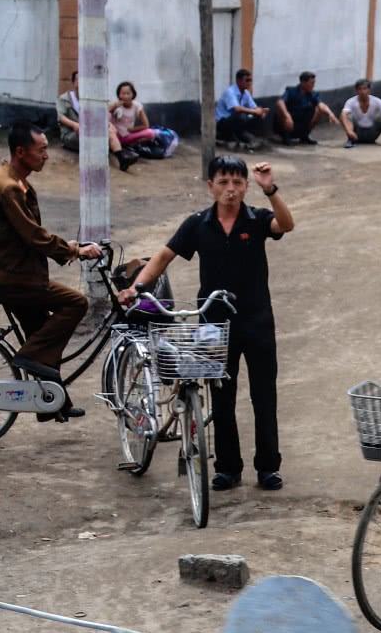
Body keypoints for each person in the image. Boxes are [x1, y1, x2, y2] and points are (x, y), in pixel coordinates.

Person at [120, 157, 294, 491]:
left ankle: (268, 467)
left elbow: (286, 225)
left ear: (246, 186)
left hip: (257, 321)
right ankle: (228, 468)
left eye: (237, 183)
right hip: (214, 323)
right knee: (221, 396)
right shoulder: (197, 224)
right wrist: (138, 288)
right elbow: (163, 256)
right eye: (223, 182)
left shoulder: (256, 219)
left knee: (264, 395)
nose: (231, 189)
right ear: (210, 186)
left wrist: (270, 189)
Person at [0, 124, 102, 420]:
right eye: (42, 150)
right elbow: (34, 236)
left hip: (13, 272)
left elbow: (29, 234)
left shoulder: (10, 177)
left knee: (40, 334)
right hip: (14, 278)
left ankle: (52, 404)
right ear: (21, 152)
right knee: (76, 303)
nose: (47, 156)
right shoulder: (9, 187)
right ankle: (29, 357)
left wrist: (68, 245)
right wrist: (75, 251)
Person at [57, 70, 131, 170]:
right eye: (79, 80)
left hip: (90, 131)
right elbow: (61, 117)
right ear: (74, 82)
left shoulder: (89, 99)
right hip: (71, 134)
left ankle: (122, 158)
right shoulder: (64, 98)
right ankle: (114, 154)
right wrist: (75, 125)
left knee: (109, 130)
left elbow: (97, 116)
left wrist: (108, 124)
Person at [270, 72, 334, 145]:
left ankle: (304, 136)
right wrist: (287, 115)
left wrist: (330, 114)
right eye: (311, 83)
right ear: (303, 82)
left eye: (314, 83)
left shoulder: (313, 94)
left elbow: (321, 104)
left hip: (302, 121)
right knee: (280, 108)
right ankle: (286, 137)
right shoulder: (291, 91)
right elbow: (280, 102)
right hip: (289, 121)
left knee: (318, 110)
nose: (313, 85)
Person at [215, 69, 269, 149]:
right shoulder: (230, 92)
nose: (249, 83)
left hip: (235, 121)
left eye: (250, 80)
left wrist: (261, 111)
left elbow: (254, 107)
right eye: (247, 80)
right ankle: (228, 137)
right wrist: (255, 112)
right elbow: (237, 109)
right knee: (240, 115)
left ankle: (246, 136)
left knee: (257, 115)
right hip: (222, 122)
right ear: (239, 81)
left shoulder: (246, 93)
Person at [339, 78, 381, 147]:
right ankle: (350, 139)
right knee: (345, 116)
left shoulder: (376, 101)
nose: (362, 91)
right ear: (356, 91)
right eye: (360, 89)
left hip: (372, 133)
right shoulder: (351, 102)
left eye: (365, 89)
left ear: (369, 90)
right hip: (357, 134)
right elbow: (343, 115)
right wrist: (349, 131)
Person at [109, 81, 159, 152]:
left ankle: (131, 145)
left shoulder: (137, 106)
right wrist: (114, 107)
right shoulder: (116, 105)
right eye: (123, 94)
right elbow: (106, 114)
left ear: (133, 94)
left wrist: (133, 129)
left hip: (128, 136)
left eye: (128, 93)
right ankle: (117, 147)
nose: (125, 96)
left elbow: (146, 125)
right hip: (115, 137)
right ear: (119, 95)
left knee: (150, 133)